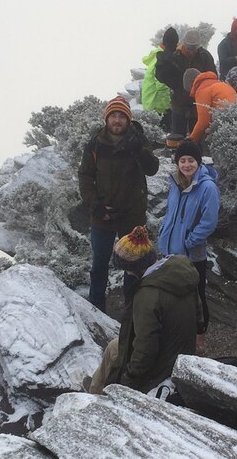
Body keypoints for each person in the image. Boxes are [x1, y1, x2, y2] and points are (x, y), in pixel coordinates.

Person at [89, 226, 200, 394]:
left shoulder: (148, 294)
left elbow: (146, 348)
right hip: (182, 352)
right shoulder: (181, 271)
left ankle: (96, 398)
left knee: (114, 353)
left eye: (126, 269)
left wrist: (127, 380)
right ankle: (96, 387)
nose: (126, 273)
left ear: (135, 268)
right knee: (114, 346)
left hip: (162, 365)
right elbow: (199, 316)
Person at [78, 97, 160, 312]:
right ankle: (96, 308)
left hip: (132, 215)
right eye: (113, 115)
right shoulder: (95, 143)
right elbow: (85, 176)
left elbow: (152, 168)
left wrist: (138, 151)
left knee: (134, 265)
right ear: (106, 118)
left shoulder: (138, 139)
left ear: (128, 119)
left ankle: (132, 308)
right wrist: (95, 206)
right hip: (102, 214)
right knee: (99, 265)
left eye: (121, 116)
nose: (117, 120)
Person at [158, 140, 220, 352]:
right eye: (182, 160)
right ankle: (177, 331)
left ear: (198, 162)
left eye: (190, 160)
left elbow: (209, 222)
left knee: (196, 295)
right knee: (174, 294)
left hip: (192, 255)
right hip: (170, 251)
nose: (186, 165)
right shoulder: (176, 182)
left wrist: (190, 242)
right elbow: (170, 214)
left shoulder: (207, 187)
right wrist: (163, 234)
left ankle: (199, 336)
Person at [155, 29, 217, 137]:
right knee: (176, 139)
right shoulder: (175, 56)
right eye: (189, 48)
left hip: (198, 105)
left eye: (194, 48)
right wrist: (175, 84)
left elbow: (213, 77)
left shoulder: (205, 56)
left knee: (198, 139)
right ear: (184, 44)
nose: (191, 51)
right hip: (178, 105)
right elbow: (161, 76)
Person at [183, 69, 237, 146]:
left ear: (192, 84)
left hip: (226, 125)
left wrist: (190, 141)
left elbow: (204, 122)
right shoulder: (219, 84)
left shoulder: (202, 90)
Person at [142, 27, 177, 130]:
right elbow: (162, 86)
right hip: (157, 106)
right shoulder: (162, 59)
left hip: (150, 104)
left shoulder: (157, 56)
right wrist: (168, 107)